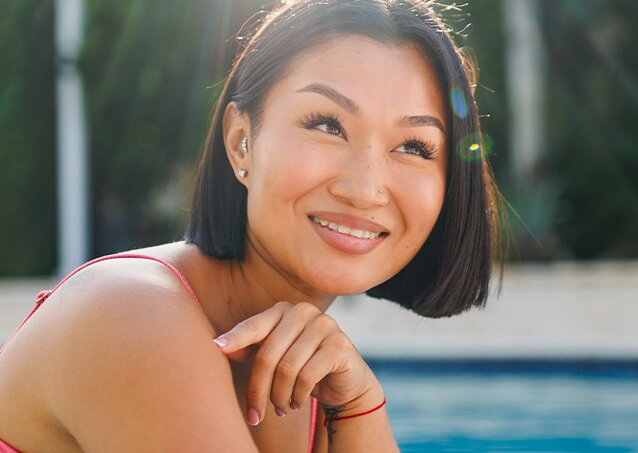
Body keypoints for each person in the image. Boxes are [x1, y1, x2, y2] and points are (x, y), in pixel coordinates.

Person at [0, 0, 502, 451]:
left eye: (414, 147)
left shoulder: (313, 376)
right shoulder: (130, 312)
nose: (364, 188)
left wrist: (360, 409)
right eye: (327, 125)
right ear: (242, 141)